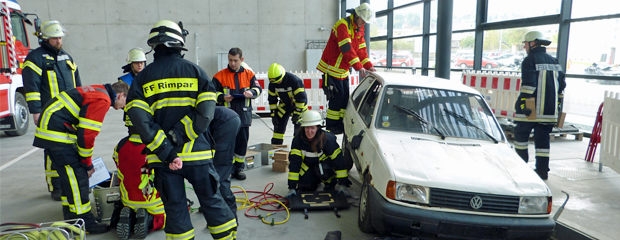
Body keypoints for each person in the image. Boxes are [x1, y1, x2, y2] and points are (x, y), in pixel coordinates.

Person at [126, 20, 237, 240]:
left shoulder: (141, 80)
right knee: (213, 204)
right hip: (199, 156)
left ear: (154, 46)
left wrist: (167, 149)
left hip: (165, 161)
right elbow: (205, 114)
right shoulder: (197, 72)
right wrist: (178, 135)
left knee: (176, 211)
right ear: (179, 43)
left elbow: (141, 124)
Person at [32, 81, 129, 234]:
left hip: (52, 129)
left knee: (69, 179)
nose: (124, 107)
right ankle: (84, 223)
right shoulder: (102, 100)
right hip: (57, 133)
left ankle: (71, 219)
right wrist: (87, 164)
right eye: (125, 102)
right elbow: (87, 135)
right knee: (78, 177)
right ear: (121, 95)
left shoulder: (99, 90)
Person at [23, 20, 82, 201]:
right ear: (45, 39)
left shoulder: (67, 57)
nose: (58, 41)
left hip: (69, 112)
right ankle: (55, 186)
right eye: (54, 38)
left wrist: (82, 105)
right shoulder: (35, 58)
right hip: (49, 113)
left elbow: (77, 83)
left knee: (70, 145)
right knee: (51, 149)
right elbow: (31, 86)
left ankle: (69, 182)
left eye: (60, 37)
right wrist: (36, 111)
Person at [513, 31, 566, 180]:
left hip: (531, 110)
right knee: (543, 142)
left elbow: (528, 86)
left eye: (525, 43)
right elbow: (561, 86)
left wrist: (523, 104)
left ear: (532, 43)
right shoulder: (555, 61)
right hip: (549, 111)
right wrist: (558, 109)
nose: (524, 46)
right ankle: (542, 171)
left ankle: (521, 167)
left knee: (521, 137)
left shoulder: (529, 60)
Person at [317, 3, 376, 134]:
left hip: (343, 70)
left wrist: (369, 66)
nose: (364, 23)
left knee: (344, 99)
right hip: (331, 68)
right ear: (356, 15)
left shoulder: (359, 28)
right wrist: (358, 66)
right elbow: (346, 48)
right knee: (337, 99)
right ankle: (332, 126)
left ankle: (341, 124)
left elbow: (361, 50)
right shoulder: (342, 25)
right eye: (363, 20)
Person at [212, 47, 262, 180]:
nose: (232, 63)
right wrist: (222, 97)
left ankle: (238, 169)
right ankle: (226, 169)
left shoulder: (249, 75)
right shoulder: (219, 76)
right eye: (230, 60)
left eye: (235, 60)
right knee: (227, 144)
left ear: (242, 60)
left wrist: (251, 93)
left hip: (243, 116)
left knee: (241, 143)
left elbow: (258, 88)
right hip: (226, 118)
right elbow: (211, 94)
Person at [285, 110, 352, 199]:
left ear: (318, 128)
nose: (309, 131)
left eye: (312, 128)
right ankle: (313, 181)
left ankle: (330, 182)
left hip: (324, 168)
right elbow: (294, 163)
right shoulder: (298, 140)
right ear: (303, 128)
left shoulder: (328, 139)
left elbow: (339, 162)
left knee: (326, 173)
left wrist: (343, 185)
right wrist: (292, 187)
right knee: (306, 188)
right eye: (307, 128)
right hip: (308, 168)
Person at [112, 129, 165, 239]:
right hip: (154, 203)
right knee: (167, 218)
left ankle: (131, 219)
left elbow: (117, 163)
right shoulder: (158, 144)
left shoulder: (120, 145)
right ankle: (149, 221)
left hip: (128, 200)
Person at [203, 106, 241, 220]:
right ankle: (214, 205)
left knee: (220, 172)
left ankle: (229, 216)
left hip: (226, 122)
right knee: (219, 167)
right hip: (229, 119)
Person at [267, 63, 308, 144]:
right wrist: (273, 115)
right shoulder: (272, 84)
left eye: (278, 81)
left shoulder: (294, 81)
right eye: (274, 82)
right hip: (285, 105)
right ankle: (276, 147)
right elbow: (272, 100)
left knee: (299, 129)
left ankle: (296, 148)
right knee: (278, 126)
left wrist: (297, 114)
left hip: (299, 105)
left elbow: (301, 98)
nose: (277, 83)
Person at [118, 48, 147, 130]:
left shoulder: (150, 78)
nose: (140, 65)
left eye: (142, 62)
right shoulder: (124, 81)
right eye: (137, 63)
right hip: (131, 118)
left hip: (147, 117)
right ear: (131, 64)